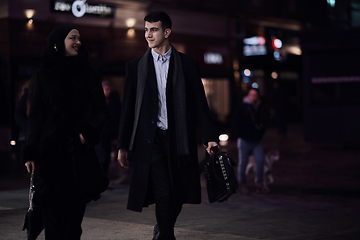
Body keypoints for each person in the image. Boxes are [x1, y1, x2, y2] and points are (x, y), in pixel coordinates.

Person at [117, 11, 218, 240]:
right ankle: (166, 236)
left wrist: (209, 137)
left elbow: (200, 104)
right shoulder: (135, 67)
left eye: (153, 29)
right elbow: (128, 110)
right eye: (146, 30)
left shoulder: (187, 64)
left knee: (177, 193)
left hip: (179, 139)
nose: (148, 34)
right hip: (150, 141)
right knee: (163, 193)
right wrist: (123, 145)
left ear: (167, 32)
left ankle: (162, 229)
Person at [22, 25, 109, 240]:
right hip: (49, 156)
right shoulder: (43, 75)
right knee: (52, 223)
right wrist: (31, 151)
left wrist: (87, 133)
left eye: (80, 38)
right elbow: (36, 116)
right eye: (73, 37)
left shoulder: (88, 74)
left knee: (73, 225)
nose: (79, 42)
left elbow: (100, 110)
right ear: (58, 42)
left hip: (77, 157)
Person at [232, 87, 268, 194]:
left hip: (256, 140)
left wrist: (260, 133)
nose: (253, 97)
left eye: (255, 95)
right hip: (245, 140)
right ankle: (242, 183)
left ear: (258, 96)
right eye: (251, 95)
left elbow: (264, 121)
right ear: (248, 96)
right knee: (243, 162)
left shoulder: (260, 107)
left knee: (260, 160)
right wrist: (242, 134)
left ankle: (260, 183)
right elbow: (236, 123)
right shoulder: (243, 107)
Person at [95, 81, 121, 178]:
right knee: (100, 157)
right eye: (106, 89)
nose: (108, 91)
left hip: (107, 134)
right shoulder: (97, 102)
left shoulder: (112, 103)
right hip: (98, 134)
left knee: (106, 158)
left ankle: (104, 180)